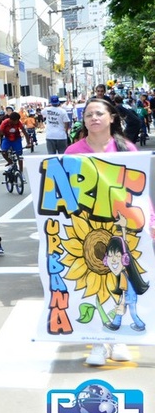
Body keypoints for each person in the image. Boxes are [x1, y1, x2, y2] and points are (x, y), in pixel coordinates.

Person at [64, 98, 149, 366]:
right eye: (88, 114)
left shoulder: (127, 149)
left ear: (112, 117)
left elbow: (141, 192)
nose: (93, 118)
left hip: (122, 228)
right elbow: (64, 193)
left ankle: (118, 339)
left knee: (120, 284)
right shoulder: (73, 151)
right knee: (95, 286)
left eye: (99, 113)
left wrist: (150, 220)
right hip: (87, 227)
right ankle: (98, 343)